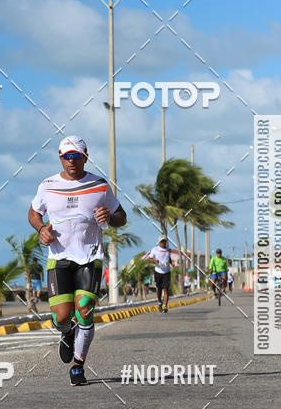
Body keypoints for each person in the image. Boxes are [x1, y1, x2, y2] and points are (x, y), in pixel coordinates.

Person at [28, 136, 127, 385]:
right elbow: (33, 212)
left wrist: (111, 217)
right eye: (67, 156)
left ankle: (78, 365)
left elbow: (121, 216)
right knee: (62, 317)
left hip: (90, 257)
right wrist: (41, 229)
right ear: (60, 157)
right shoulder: (48, 185)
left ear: (86, 156)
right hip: (59, 258)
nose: (71, 160)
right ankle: (67, 332)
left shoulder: (100, 185)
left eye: (76, 155)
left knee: (84, 310)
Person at [147, 236, 173, 313]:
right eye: (162, 241)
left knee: (165, 289)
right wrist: (154, 261)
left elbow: (169, 259)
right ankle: (159, 301)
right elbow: (149, 258)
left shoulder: (169, 250)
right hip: (158, 271)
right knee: (159, 289)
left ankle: (165, 305)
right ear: (159, 242)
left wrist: (172, 263)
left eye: (165, 241)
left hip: (167, 272)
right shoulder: (155, 250)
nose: (164, 243)